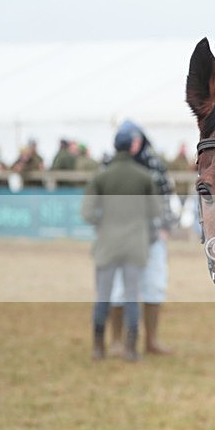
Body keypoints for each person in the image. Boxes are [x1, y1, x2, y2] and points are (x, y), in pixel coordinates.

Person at [81, 126, 161, 361]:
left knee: (103, 296)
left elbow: (87, 212)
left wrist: (102, 222)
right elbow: (155, 210)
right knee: (132, 295)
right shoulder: (144, 176)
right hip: (135, 244)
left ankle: (98, 346)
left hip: (107, 244)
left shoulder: (102, 176)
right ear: (132, 147)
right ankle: (131, 349)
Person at [109, 120, 176, 356]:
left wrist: (165, 226)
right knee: (119, 288)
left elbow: (166, 196)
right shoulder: (109, 165)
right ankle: (116, 341)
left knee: (154, 285)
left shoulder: (154, 164)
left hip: (153, 236)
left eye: (136, 139)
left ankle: (151, 341)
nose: (134, 144)